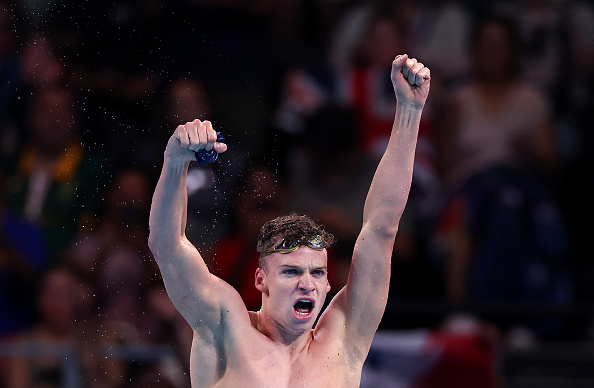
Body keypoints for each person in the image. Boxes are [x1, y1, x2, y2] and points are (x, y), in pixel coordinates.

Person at [148, 54, 430, 387]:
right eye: (291, 271)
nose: (307, 283)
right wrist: (175, 161)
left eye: (317, 272)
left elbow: (382, 228)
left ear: (328, 284)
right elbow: (167, 245)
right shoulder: (223, 325)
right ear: (260, 280)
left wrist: (410, 112)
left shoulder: (343, 338)